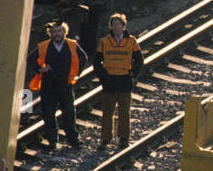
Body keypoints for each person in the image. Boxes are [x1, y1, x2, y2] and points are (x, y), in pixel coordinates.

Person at [27, 21, 88, 151]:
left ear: (64, 32)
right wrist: (40, 69)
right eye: (54, 31)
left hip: (65, 84)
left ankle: (73, 141)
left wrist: (76, 74)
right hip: (48, 84)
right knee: (48, 114)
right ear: (51, 34)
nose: (57, 34)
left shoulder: (72, 45)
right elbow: (30, 58)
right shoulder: (43, 46)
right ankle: (52, 141)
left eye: (59, 31)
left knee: (69, 113)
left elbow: (84, 58)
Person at [94, 12, 143, 148]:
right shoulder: (104, 41)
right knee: (107, 112)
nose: (116, 27)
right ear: (111, 26)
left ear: (123, 26)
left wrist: (133, 75)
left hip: (124, 80)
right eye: (114, 25)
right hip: (110, 80)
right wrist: (104, 77)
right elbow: (96, 62)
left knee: (124, 112)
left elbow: (140, 60)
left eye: (118, 24)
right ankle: (105, 139)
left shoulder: (131, 41)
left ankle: (123, 138)